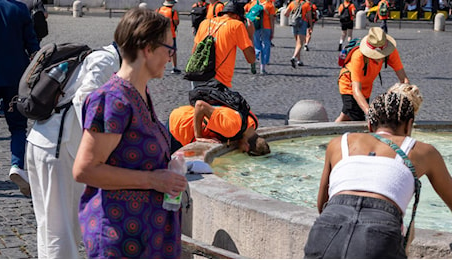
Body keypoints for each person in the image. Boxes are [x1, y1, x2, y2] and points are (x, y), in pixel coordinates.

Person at [72, 8, 188, 258]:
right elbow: (85, 170)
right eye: (169, 49)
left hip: (143, 234)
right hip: (121, 238)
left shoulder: (139, 93)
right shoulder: (112, 99)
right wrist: (154, 180)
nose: (170, 58)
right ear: (147, 48)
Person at [304, 87, 452, 258]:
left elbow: (322, 204)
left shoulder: (339, 143)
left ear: (369, 124)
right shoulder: (423, 151)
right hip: (380, 232)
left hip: (328, 226)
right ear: (409, 125)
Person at [25, 42, 121, 258]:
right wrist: (99, 145)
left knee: (49, 227)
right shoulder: (106, 60)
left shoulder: (100, 56)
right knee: (63, 229)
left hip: (43, 141)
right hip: (59, 148)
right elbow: (84, 100)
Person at [0, 0, 40, 197]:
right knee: (17, 127)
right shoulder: (20, 9)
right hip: (15, 77)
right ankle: (16, 165)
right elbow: (33, 47)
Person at [335, 27, 409, 122]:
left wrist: (407, 101)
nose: (378, 57)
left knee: (346, 116)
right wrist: (370, 113)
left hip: (366, 87)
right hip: (349, 85)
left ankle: (329, 134)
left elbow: (404, 79)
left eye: (381, 54)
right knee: (358, 119)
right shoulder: (358, 55)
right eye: (375, 55)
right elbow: (356, 90)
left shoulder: (390, 51)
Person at [168, 100, 271, 156]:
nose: (241, 151)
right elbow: (200, 105)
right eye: (244, 151)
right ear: (247, 146)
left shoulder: (253, 122)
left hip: (185, 116)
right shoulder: (231, 128)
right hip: (180, 125)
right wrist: (198, 136)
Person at [191, 1, 256, 88]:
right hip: (218, 78)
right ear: (237, 16)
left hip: (196, 74)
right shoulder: (236, 25)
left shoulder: (205, 22)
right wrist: (250, 36)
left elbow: (194, 51)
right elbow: (251, 59)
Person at [249, 0, 276, 75]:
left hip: (256, 27)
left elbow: (249, 15)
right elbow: (271, 19)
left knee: (256, 44)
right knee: (266, 45)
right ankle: (262, 67)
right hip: (266, 27)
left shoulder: (253, 3)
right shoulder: (270, 5)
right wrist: (272, 31)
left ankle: (256, 55)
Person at [284, 0, 313, 68]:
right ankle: (293, 57)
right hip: (302, 23)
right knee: (300, 43)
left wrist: (292, 16)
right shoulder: (306, 4)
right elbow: (309, 16)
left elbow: (285, 13)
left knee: (297, 43)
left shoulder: (293, 3)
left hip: (294, 23)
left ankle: (299, 60)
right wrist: (311, 26)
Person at [157, 0, 181, 74]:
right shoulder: (173, 12)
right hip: (171, 34)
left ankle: (158, 66)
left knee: (160, 50)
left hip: (161, 33)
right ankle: (174, 67)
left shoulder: (159, 10)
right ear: (172, 4)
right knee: (173, 51)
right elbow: (176, 22)